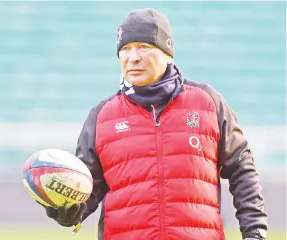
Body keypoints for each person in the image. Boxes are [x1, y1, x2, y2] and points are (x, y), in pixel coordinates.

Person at [41, 8, 268, 240]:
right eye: (125, 49)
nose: (133, 57)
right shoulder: (101, 117)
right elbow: (86, 190)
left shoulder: (208, 102)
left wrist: (254, 231)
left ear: (168, 53)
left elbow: (242, 168)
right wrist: (66, 209)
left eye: (144, 47)